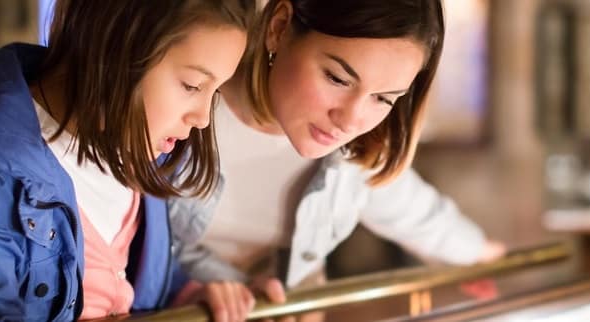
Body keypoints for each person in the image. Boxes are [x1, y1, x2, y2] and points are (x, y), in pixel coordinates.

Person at [0, 0, 255, 320]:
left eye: (215, 91)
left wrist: (186, 295)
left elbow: (121, 282)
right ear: (117, 46)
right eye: (192, 85)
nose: (202, 119)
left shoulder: (136, 141)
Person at [168, 0, 507, 311]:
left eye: (384, 99)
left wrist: (482, 256)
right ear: (280, 28)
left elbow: (416, 212)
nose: (350, 120)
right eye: (337, 78)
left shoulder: (358, 154)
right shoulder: (178, 114)